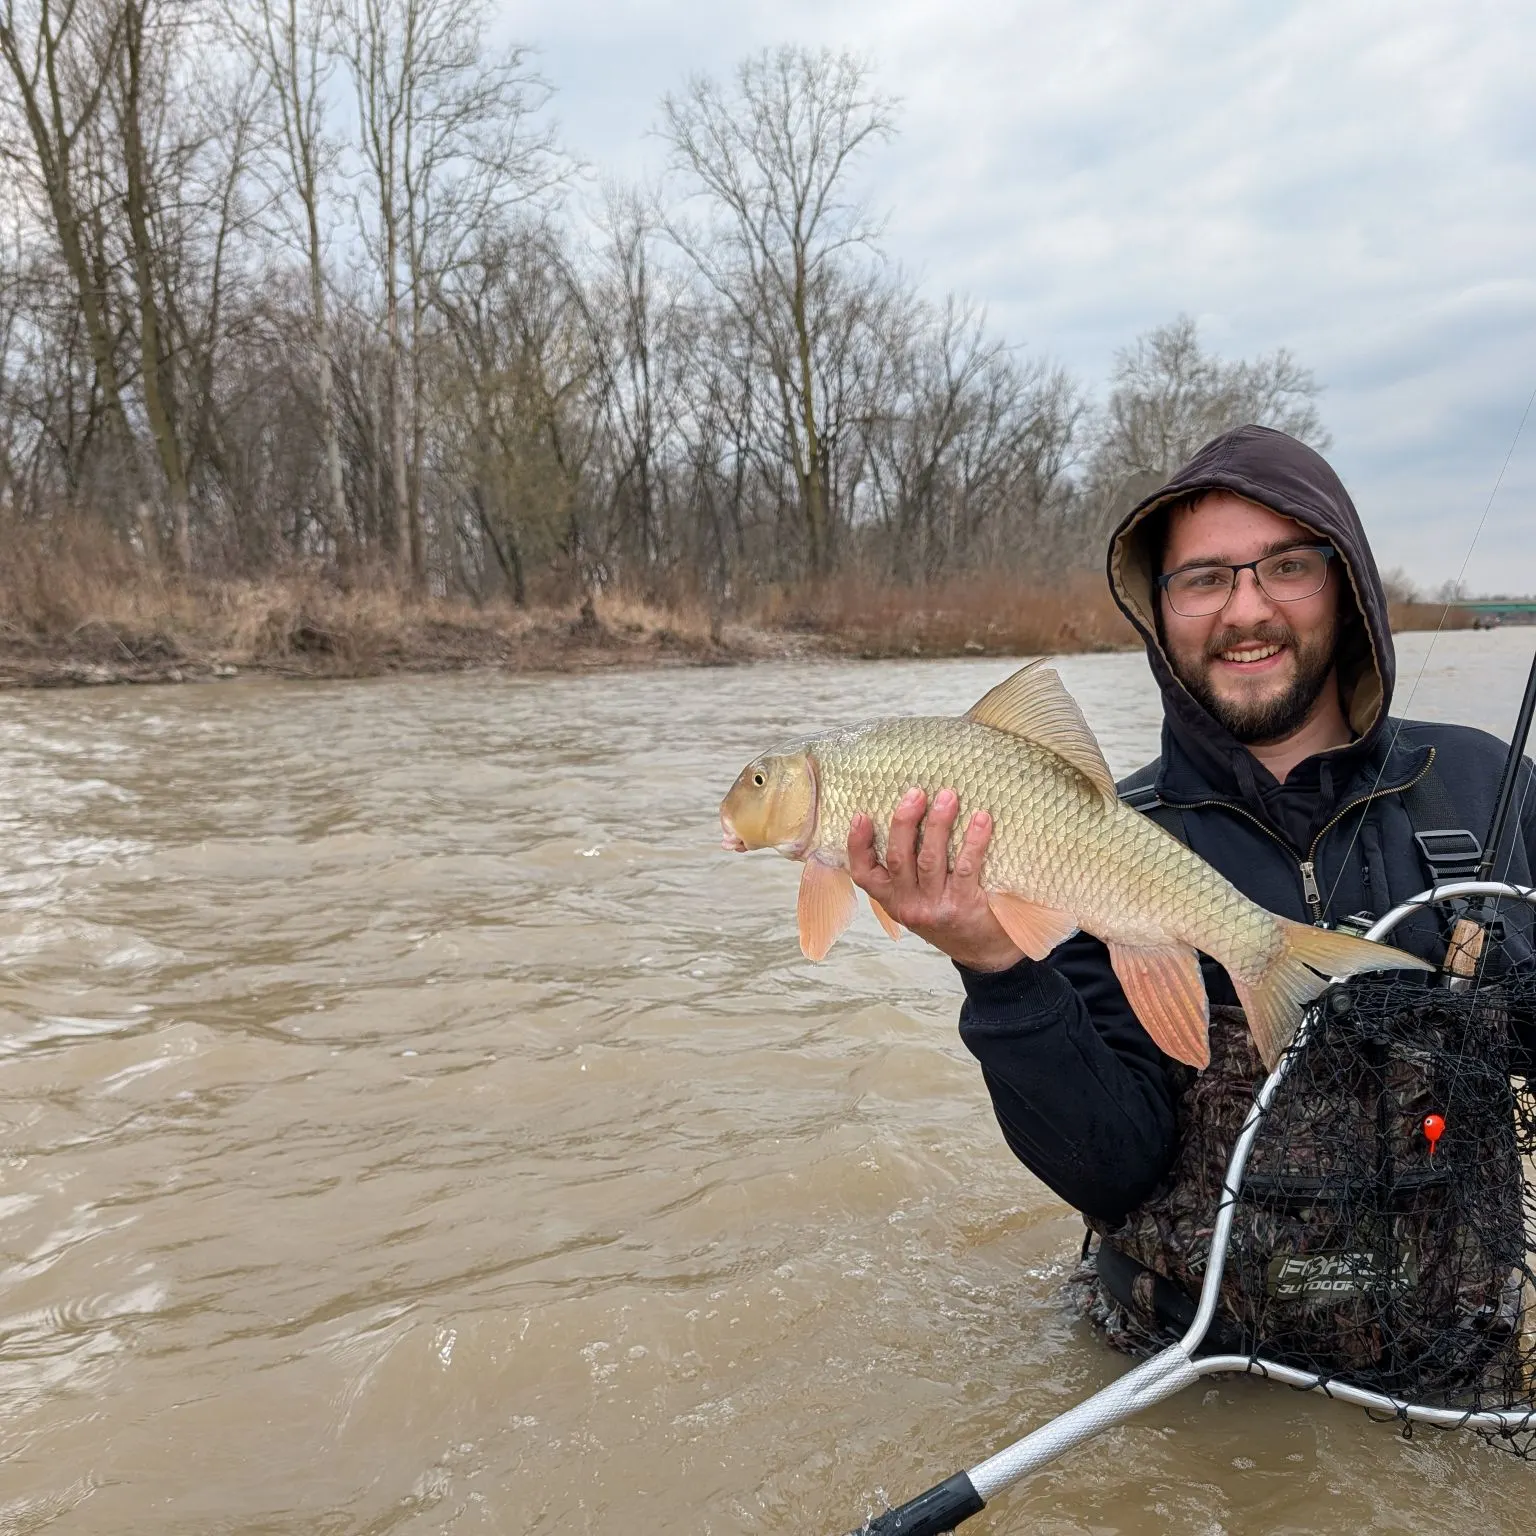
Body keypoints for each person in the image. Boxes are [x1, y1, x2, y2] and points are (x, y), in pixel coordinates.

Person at [847, 424, 1536, 1354]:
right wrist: (995, 967)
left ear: (1347, 582)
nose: (1245, 609)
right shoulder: (1080, 840)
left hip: (1454, 1349)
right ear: (1159, 609)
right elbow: (1113, 1172)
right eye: (1204, 579)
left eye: (1285, 566)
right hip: (1183, 1360)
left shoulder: (1486, 783)